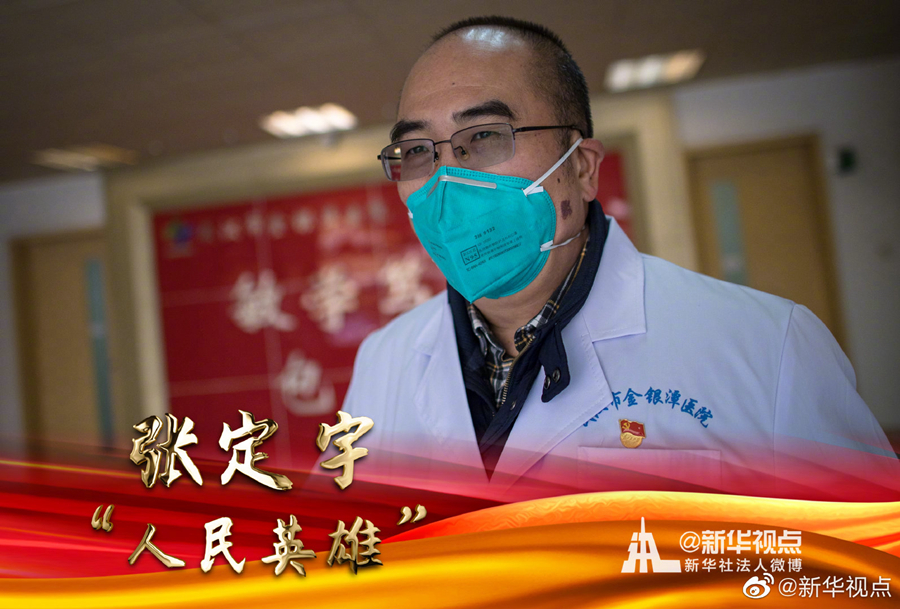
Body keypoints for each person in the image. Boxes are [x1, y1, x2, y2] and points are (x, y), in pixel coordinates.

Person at [324, 16, 899, 501]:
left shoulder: (767, 348)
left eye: (486, 135)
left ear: (582, 168)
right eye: (417, 150)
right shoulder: (383, 361)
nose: (446, 181)